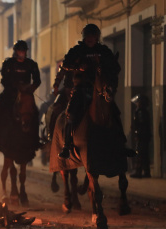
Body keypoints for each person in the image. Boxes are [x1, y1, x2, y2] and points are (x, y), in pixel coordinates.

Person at [58, 24, 123, 158]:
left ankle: (121, 143)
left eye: (93, 36)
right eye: (88, 36)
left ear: (97, 37)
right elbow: (65, 63)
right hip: (82, 88)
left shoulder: (104, 50)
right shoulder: (77, 50)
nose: (90, 39)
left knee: (114, 112)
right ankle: (67, 145)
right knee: (70, 112)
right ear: (84, 37)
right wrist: (78, 66)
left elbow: (116, 67)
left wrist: (105, 69)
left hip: (101, 88)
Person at [0, 40, 41, 147]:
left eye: (23, 52)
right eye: (19, 51)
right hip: (10, 93)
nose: (21, 54)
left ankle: (36, 138)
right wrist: (15, 86)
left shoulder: (31, 64)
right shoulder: (8, 63)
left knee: (35, 111)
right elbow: (4, 79)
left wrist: (31, 88)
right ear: (15, 52)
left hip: (26, 93)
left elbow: (37, 80)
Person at [130, 94, 151, 178]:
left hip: (142, 136)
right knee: (144, 154)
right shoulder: (143, 111)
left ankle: (138, 171)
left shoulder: (140, 112)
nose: (137, 103)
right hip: (144, 136)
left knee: (139, 153)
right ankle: (146, 172)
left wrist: (137, 134)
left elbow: (141, 124)